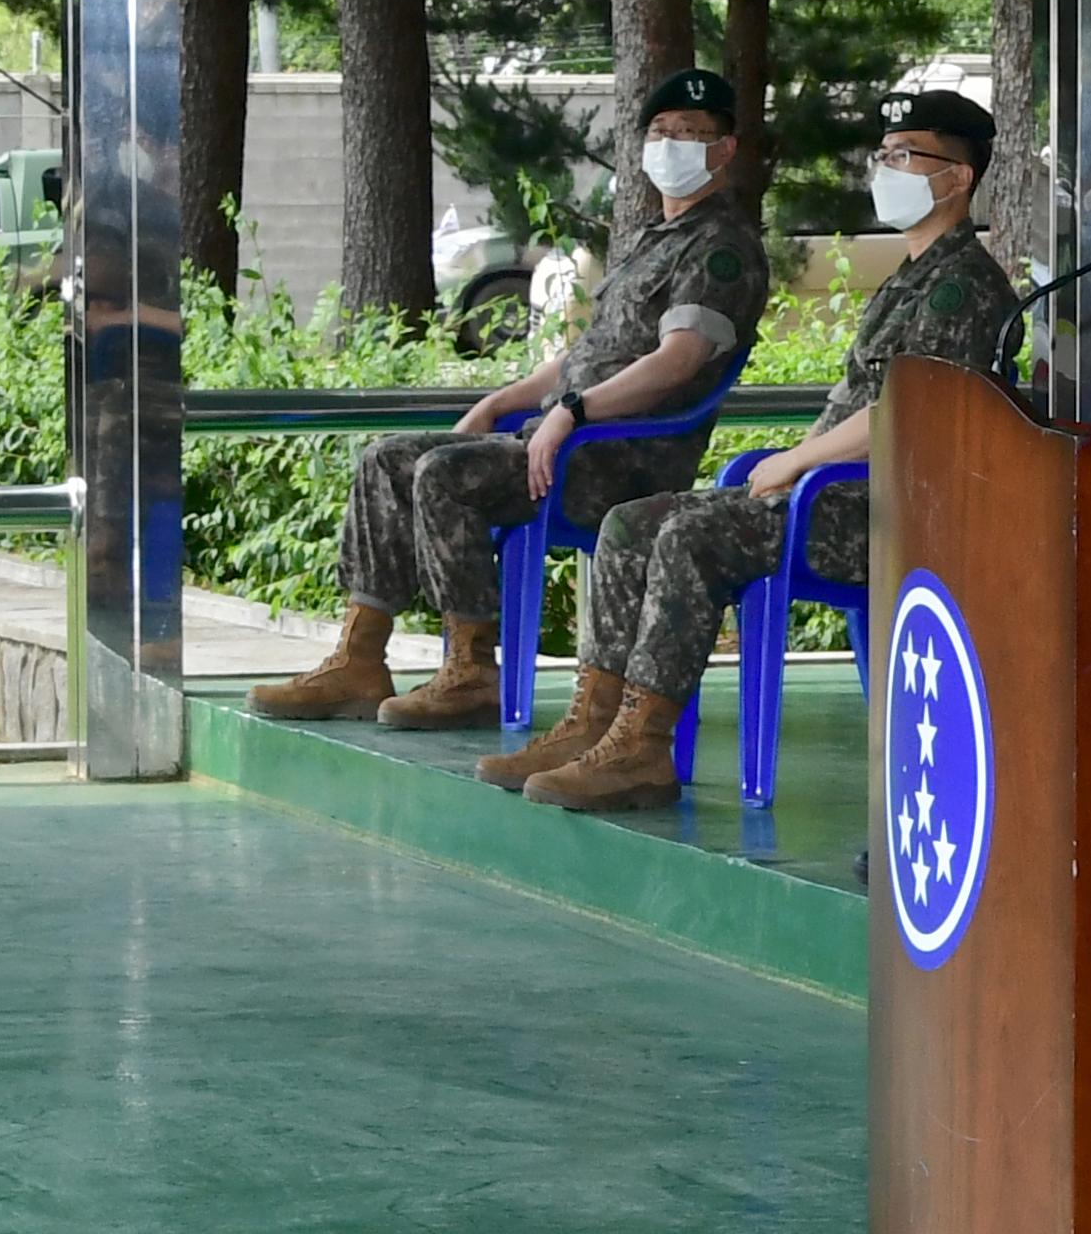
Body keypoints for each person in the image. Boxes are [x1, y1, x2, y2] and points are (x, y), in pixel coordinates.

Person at [480, 90, 1017, 810]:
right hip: (837, 492)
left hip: (889, 511)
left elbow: (909, 413)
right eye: (881, 155)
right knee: (632, 523)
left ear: (957, 178)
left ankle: (642, 748)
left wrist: (798, 462)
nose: (885, 169)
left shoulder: (962, 287)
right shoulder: (912, 276)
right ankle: (598, 724)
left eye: (905, 157)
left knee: (693, 534)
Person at [249, 68, 769, 728]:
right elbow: (578, 360)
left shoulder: (722, 247)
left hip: (623, 460)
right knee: (386, 460)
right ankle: (361, 657)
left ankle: (472, 671)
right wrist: (502, 402)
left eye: (693, 134)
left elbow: (679, 361)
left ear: (725, 150)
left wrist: (572, 413)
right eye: (661, 132)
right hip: (566, 442)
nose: (672, 144)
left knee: (446, 475)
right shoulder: (649, 240)